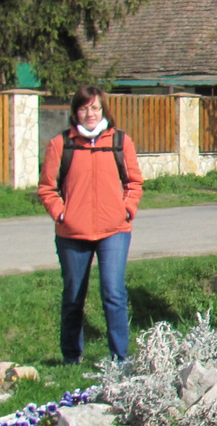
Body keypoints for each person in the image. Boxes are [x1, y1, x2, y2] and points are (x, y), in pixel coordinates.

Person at [38, 86, 143, 364]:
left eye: (95, 108)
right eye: (84, 108)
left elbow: (134, 183)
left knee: (114, 292)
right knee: (74, 296)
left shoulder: (120, 142)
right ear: (75, 112)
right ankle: (71, 357)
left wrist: (127, 210)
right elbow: (47, 189)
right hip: (72, 233)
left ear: (103, 110)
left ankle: (120, 358)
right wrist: (62, 215)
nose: (90, 114)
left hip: (114, 231)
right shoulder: (60, 145)